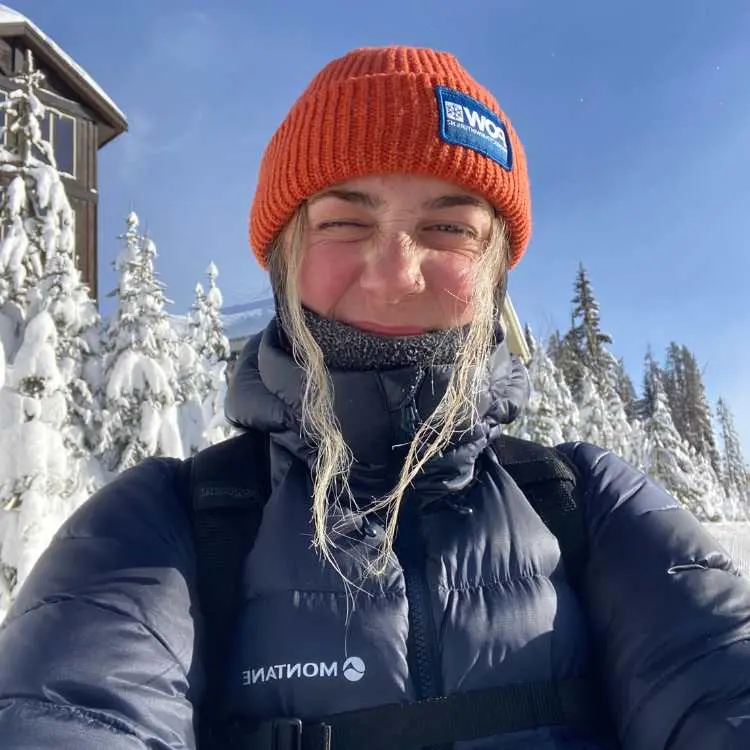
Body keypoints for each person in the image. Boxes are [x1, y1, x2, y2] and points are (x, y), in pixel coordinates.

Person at [0, 45, 749, 750]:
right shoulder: (162, 528)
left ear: (495, 274)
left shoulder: (590, 503)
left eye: (449, 227)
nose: (397, 272)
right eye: (346, 222)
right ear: (284, 259)